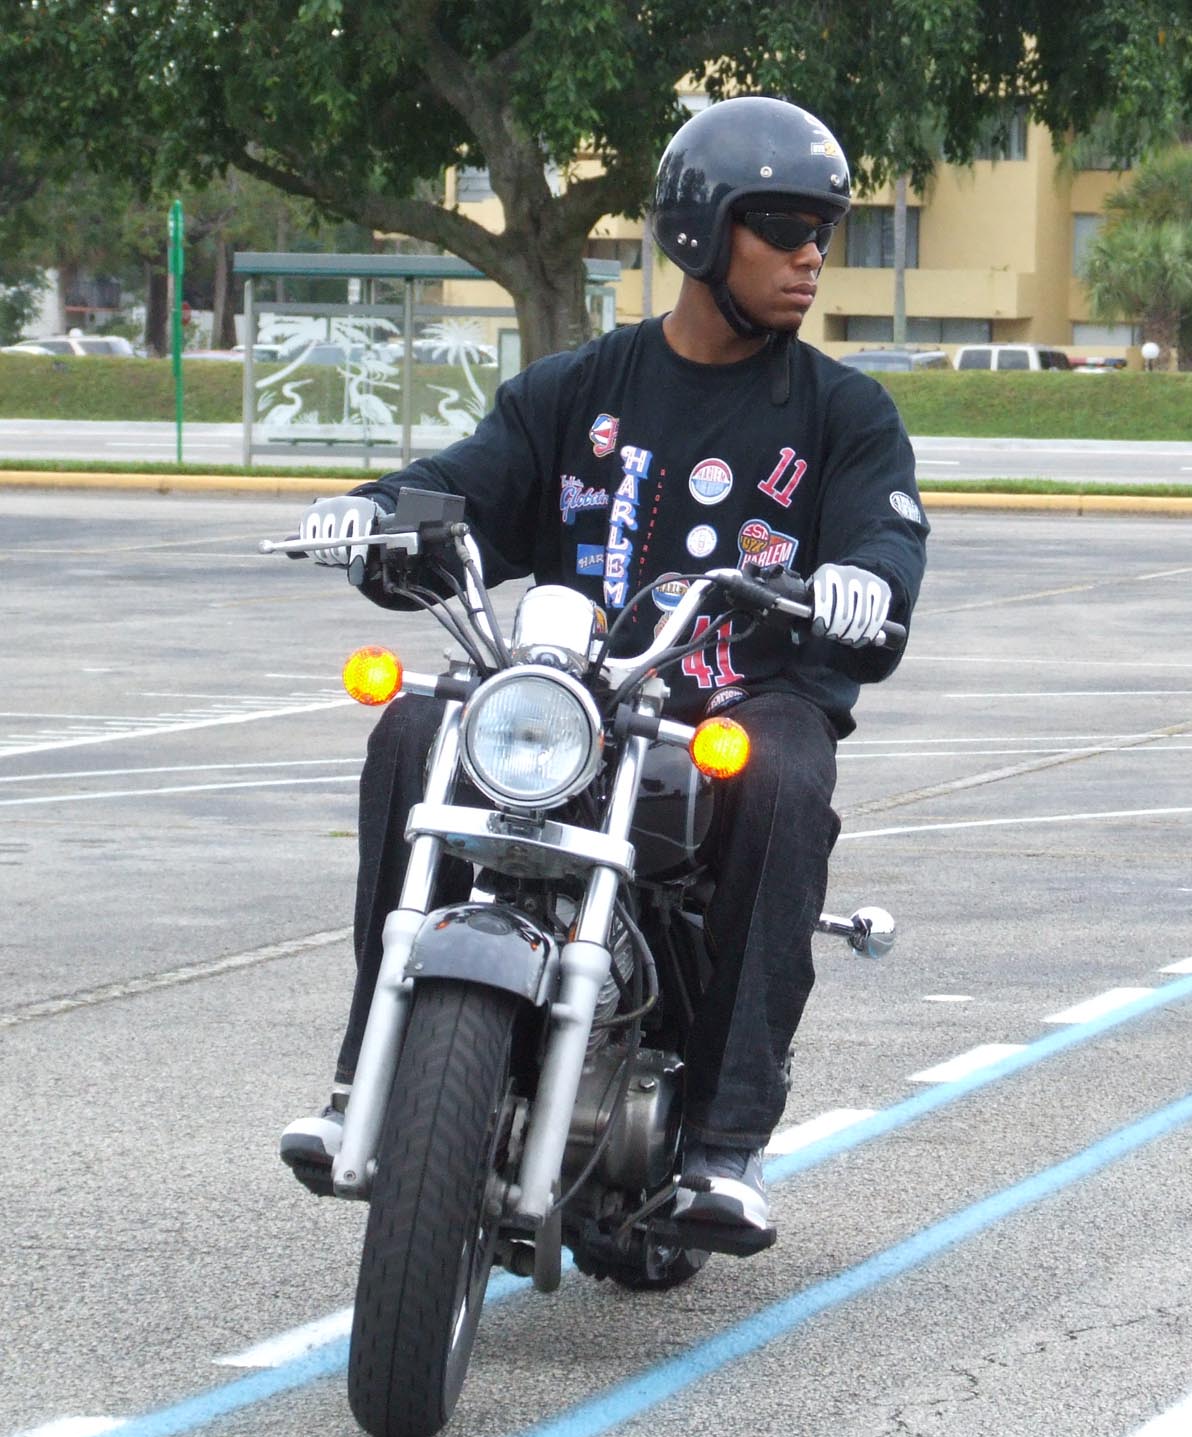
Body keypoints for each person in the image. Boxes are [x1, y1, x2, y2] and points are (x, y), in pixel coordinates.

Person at [280, 95, 929, 1232]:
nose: (812, 255)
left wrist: (865, 579)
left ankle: (726, 1139)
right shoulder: (576, 390)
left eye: (821, 231)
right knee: (414, 726)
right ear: (702, 231)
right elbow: (464, 482)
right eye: (784, 227)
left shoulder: (843, 414)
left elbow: (886, 532)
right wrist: (373, 513)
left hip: (737, 702)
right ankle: (361, 1086)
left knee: (783, 774)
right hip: (576, 701)